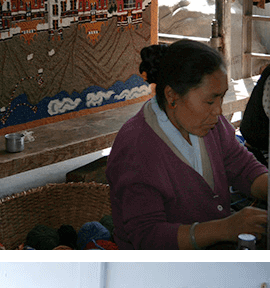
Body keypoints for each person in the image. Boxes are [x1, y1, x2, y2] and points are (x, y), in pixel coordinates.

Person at [106, 40, 268, 249]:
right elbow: (148, 236)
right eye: (210, 101)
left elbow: (241, 165)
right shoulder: (137, 149)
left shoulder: (209, 124)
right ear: (172, 95)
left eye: (221, 97)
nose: (218, 111)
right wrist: (225, 229)